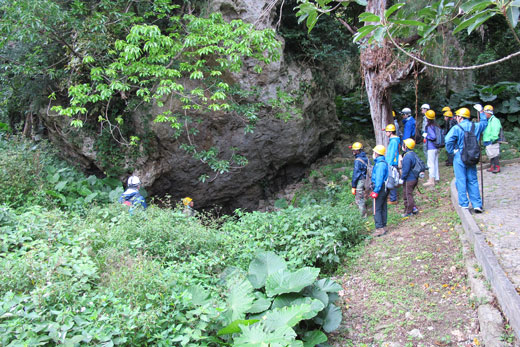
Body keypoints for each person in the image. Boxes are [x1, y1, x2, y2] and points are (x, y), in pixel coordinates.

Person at [445, 106, 488, 213]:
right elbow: (484, 123)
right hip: (472, 156)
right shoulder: (476, 126)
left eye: (457, 116)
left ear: (460, 117)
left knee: (461, 179)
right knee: (472, 180)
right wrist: (481, 111)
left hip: (460, 156)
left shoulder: (456, 128)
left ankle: (464, 204)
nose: (456, 118)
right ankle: (477, 204)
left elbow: (447, 140)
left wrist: (452, 151)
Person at [370, 145, 389, 236]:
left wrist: (375, 191)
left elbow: (379, 179)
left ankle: (379, 228)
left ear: (377, 153)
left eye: (374, 152)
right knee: (383, 207)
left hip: (380, 188)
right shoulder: (382, 162)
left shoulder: (380, 164)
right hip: (383, 187)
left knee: (377, 209)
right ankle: (383, 226)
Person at [399, 139, 420, 217]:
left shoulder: (407, 156)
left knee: (407, 195)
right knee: (409, 194)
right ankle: (414, 208)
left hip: (409, 179)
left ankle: (409, 211)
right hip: (414, 178)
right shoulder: (413, 154)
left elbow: (406, 169)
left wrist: (402, 178)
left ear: (406, 146)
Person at [350, 142, 369, 217]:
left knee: (359, 199)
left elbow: (356, 174)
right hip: (366, 180)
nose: (353, 152)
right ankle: (364, 213)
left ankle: (363, 216)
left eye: (354, 150)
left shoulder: (358, 161)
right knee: (363, 196)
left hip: (360, 181)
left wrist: (353, 186)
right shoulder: (366, 158)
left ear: (357, 151)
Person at [482, 105, 502, 173]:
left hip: (492, 140)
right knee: (490, 154)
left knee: (495, 154)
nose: (484, 114)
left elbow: (496, 130)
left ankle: (497, 167)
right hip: (487, 140)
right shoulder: (488, 120)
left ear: (488, 113)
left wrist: (493, 139)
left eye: (485, 113)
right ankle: (492, 166)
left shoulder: (494, 120)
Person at [422, 109, 440, 187]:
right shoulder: (436, 125)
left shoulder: (429, 126)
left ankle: (431, 180)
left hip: (431, 147)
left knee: (431, 163)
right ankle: (436, 178)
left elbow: (433, 136)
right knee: (435, 162)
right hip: (436, 147)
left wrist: (427, 136)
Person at [384, 124, 400, 204]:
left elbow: (392, 153)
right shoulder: (393, 140)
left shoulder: (393, 141)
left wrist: (388, 164)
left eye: (386, 131)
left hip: (392, 163)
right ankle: (391, 197)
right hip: (391, 163)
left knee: (391, 180)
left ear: (390, 132)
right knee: (390, 180)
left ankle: (393, 199)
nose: (386, 133)